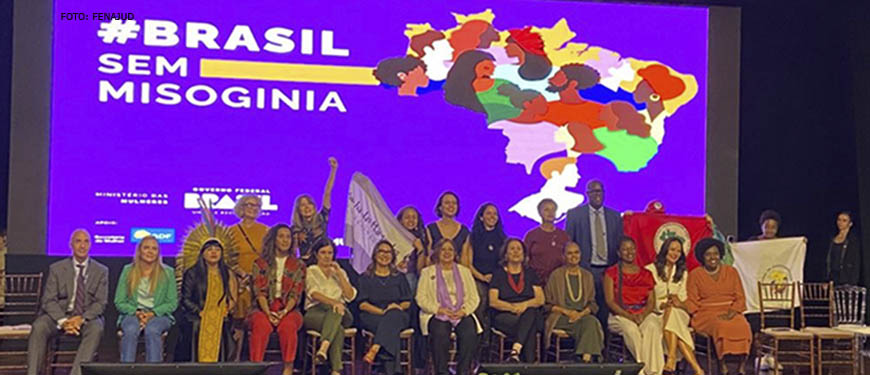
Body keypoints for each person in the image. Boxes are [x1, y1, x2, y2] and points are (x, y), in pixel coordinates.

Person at [26, 229, 108, 375]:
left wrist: (81, 319)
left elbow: (100, 303)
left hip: (85, 318)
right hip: (59, 316)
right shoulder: (57, 269)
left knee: (96, 328)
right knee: (39, 326)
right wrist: (64, 321)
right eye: (78, 241)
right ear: (71, 245)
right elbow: (48, 300)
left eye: (86, 241)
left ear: (90, 245)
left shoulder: (101, 270)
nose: (82, 246)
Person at [687, 238, 751, 375]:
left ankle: (741, 366)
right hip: (706, 313)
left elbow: (740, 297)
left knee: (744, 325)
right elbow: (692, 300)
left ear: (720, 254)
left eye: (715, 253)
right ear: (702, 257)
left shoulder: (732, 272)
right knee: (721, 326)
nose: (712, 257)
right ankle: (722, 364)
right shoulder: (695, 275)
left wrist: (732, 312)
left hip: (731, 310)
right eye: (708, 254)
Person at [416, 239, 481, 375]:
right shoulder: (427, 272)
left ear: (455, 253)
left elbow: (474, 298)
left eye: (450, 249)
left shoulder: (465, 272)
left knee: (469, 331)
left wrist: (464, 311)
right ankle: (442, 372)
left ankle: (463, 371)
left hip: (461, 312)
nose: (447, 253)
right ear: (437, 252)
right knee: (440, 332)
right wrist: (438, 309)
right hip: (436, 313)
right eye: (443, 249)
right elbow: (420, 298)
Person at [248, 224, 306, 375]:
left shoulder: (298, 265)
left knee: (288, 327)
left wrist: (284, 311)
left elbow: (296, 293)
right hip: (263, 308)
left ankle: (288, 368)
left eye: (288, 237)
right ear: (273, 239)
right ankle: (256, 368)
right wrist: (268, 313)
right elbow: (259, 292)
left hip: (289, 309)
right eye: (281, 236)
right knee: (260, 325)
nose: (285, 240)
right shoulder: (260, 263)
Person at [565, 179, 623, 324]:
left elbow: (619, 244)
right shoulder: (575, 215)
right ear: (587, 194)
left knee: (606, 309)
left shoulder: (615, 216)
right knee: (586, 307)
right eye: (593, 191)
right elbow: (569, 243)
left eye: (600, 191)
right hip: (585, 268)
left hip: (608, 270)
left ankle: (604, 344)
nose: (597, 194)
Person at [644, 238, 704, 375]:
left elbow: (683, 299)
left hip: (679, 312)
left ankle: (670, 359)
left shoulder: (682, 273)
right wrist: (662, 305)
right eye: (672, 249)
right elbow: (648, 298)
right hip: (658, 311)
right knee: (675, 328)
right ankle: (698, 370)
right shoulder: (650, 270)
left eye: (678, 251)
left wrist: (679, 303)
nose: (675, 253)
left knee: (673, 313)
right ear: (665, 250)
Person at [115, 235, 177, 362]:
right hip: (132, 313)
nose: (150, 251)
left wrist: (152, 313)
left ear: (158, 252)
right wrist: (137, 313)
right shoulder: (128, 271)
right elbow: (119, 301)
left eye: (154, 248)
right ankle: (127, 370)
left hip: (159, 315)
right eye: (146, 248)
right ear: (139, 250)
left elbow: (172, 302)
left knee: (152, 330)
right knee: (131, 329)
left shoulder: (168, 273)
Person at [603, 236, 660, 375]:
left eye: (632, 248)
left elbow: (651, 301)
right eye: (625, 249)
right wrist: (629, 316)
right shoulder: (611, 273)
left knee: (652, 326)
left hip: (643, 312)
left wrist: (643, 315)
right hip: (620, 315)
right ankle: (643, 370)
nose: (629, 252)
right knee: (632, 330)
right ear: (618, 252)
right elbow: (610, 301)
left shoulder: (646, 274)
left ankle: (654, 372)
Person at [179, 239, 238, 362]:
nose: (213, 253)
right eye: (209, 250)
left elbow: (232, 299)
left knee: (222, 325)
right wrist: (199, 312)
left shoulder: (227, 273)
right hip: (197, 314)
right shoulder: (192, 273)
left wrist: (226, 310)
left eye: (217, 250)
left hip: (221, 314)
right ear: (202, 253)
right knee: (197, 325)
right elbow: (185, 299)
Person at [543, 241, 604, 363]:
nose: (573, 256)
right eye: (569, 253)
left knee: (591, 322)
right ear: (564, 256)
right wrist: (567, 312)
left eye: (576, 252)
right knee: (591, 326)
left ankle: (584, 358)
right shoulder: (556, 275)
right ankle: (587, 360)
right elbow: (547, 305)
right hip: (561, 317)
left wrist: (579, 314)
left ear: (580, 254)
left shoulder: (587, 276)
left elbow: (592, 304)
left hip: (582, 317)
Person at [358, 240, 413, 375]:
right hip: (373, 315)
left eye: (388, 252)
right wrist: (384, 312)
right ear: (375, 254)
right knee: (391, 327)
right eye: (381, 251)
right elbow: (362, 304)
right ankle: (394, 371)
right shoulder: (365, 278)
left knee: (393, 317)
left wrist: (396, 307)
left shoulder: (399, 277)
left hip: (398, 314)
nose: (385, 255)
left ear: (393, 256)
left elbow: (407, 302)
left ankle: (375, 348)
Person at [304, 238, 357, 375]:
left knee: (337, 310)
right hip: (316, 312)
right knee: (337, 328)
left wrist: (339, 274)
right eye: (323, 252)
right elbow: (313, 293)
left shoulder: (341, 272)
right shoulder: (312, 270)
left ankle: (324, 347)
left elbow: (350, 296)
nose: (327, 256)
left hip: (342, 313)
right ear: (316, 254)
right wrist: (334, 302)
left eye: (330, 252)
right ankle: (336, 371)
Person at [488, 238, 545, 362]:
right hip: (505, 316)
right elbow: (493, 301)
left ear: (524, 254)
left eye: (519, 249)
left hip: (527, 313)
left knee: (530, 313)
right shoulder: (498, 274)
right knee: (531, 324)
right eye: (512, 249)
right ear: (505, 254)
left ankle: (515, 352)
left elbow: (540, 299)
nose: (516, 252)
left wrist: (523, 306)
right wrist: (513, 308)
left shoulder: (530, 273)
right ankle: (528, 365)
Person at [228, 194, 269, 345]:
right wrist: (241, 274)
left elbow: (269, 258)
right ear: (241, 207)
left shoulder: (266, 231)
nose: (252, 208)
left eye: (256, 206)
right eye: (248, 205)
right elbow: (227, 259)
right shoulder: (231, 232)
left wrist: (257, 275)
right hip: (238, 279)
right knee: (241, 298)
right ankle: (235, 355)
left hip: (260, 278)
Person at [466, 203, 506, 349]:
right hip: (477, 278)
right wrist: (482, 277)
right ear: (481, 217)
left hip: (497, 281)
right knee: (480, 302)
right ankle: (478, 345)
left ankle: (493, 346)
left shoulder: (503, 239)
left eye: (495, 214)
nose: (492, 217)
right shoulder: (473, 237)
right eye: (488, 214)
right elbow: (467, 263)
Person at [294, 157, 339, 264]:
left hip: (323, 263)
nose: (307, 207)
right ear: (298, 210)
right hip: (304, 265)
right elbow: (293, 251)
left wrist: (333, 170)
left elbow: (327, 193)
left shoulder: (322, 219)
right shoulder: (295, 229)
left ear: (314, 207)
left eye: (309, 203)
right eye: (302, 205)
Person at [524, 198, 571, 282]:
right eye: (546, 210)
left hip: (559, 281)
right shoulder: (531, 235)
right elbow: (525, 260)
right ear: (540, 213)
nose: (550, 213)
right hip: (537, 281)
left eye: (553, 210)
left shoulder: (564, 236)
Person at [426, 191, 471, 264]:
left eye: (454, 203)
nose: (451, 205)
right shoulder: (430, 229)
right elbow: (427, 256)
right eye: (447, 203)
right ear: (440, 207)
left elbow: (464, 259)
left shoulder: (464, 231)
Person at [397, 205, 429, 293]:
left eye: (414, 217)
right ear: (400, 221)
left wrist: (420, 250)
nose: (411, 220)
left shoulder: (421, 238)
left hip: (413, 276)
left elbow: (420, 270)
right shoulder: (393, 237)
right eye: (407, 217)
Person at [827, 211, 861, 286]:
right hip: (833, 278)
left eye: (844, 220)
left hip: (847, 279)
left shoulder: (853, 240)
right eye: (839, 220)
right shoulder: (832, 239)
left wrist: (853, 282)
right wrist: (827, 279)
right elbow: (829, 260)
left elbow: (856, 261)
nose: (840, 223)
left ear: (850, 224)